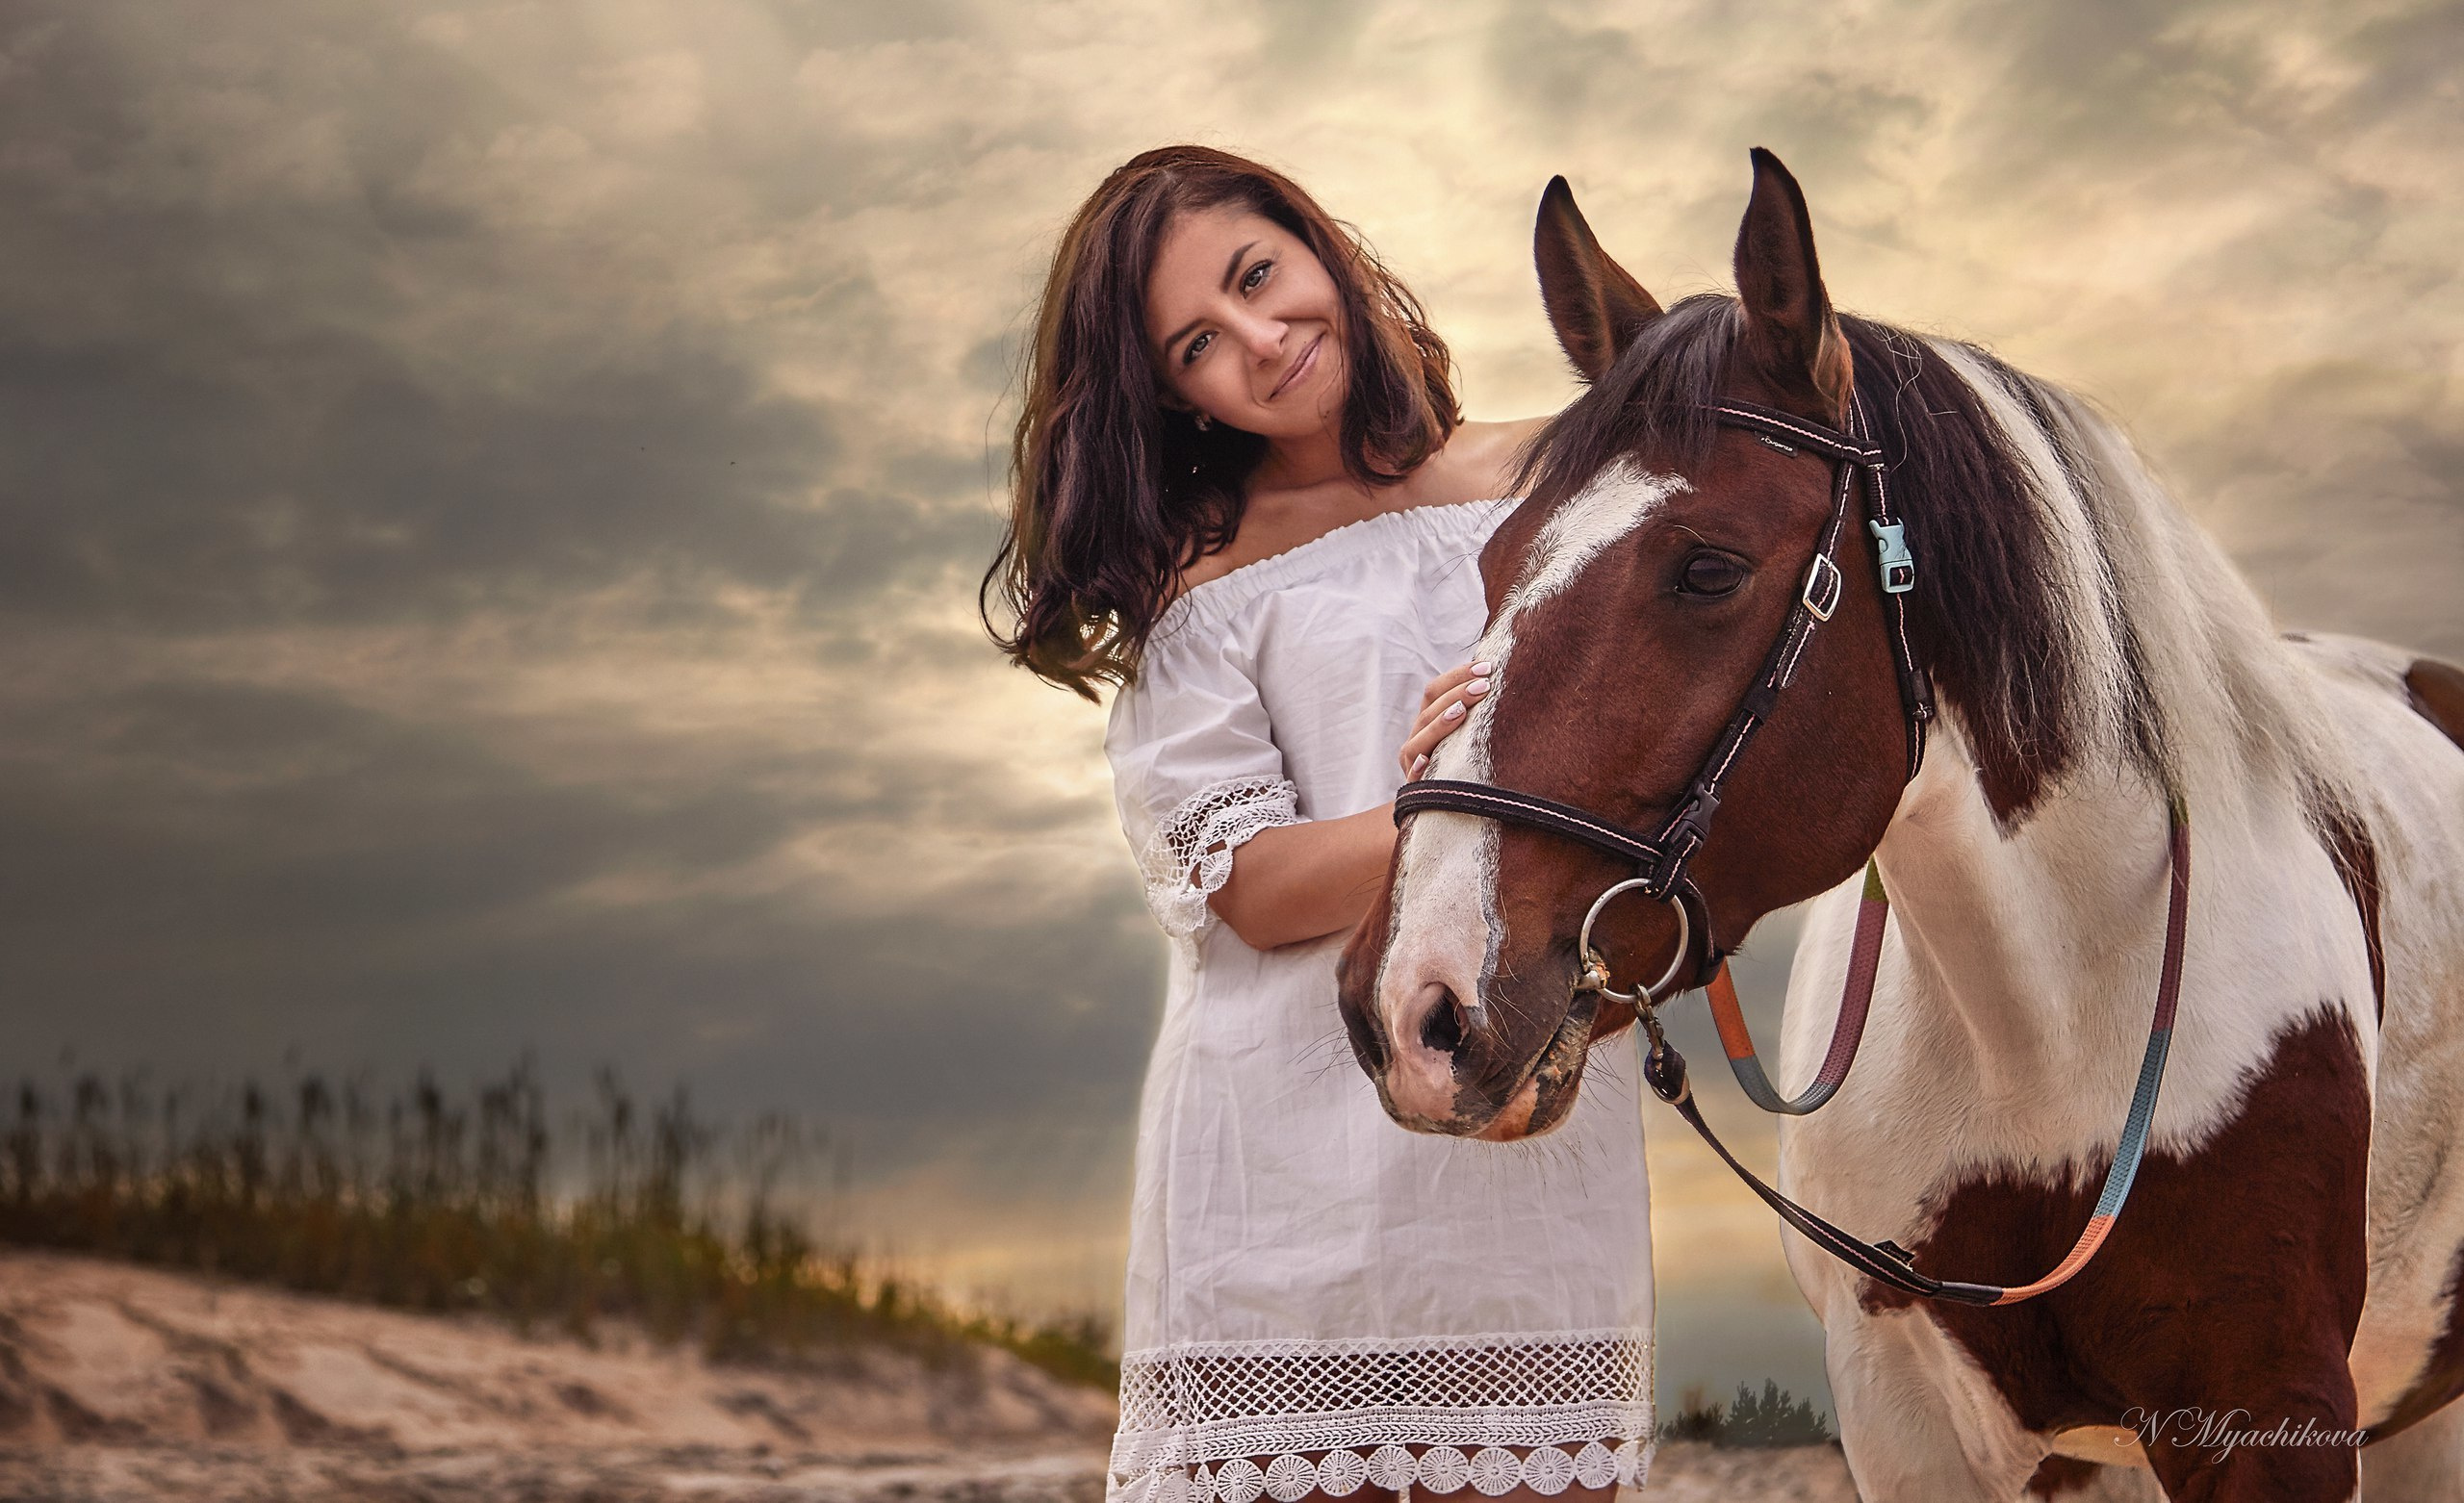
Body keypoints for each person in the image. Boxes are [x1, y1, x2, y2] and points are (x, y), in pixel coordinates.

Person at [983, 145, 1653, 1503]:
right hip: (1288, 1161)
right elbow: (1255, 883)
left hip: (1527, 1125)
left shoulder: (1553, 470)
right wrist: (1444, 808)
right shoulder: (1204, 574)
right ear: (1171, 394)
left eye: (1258, 275)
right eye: (1197, 346)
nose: (1259, 341)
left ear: (1316, 245)